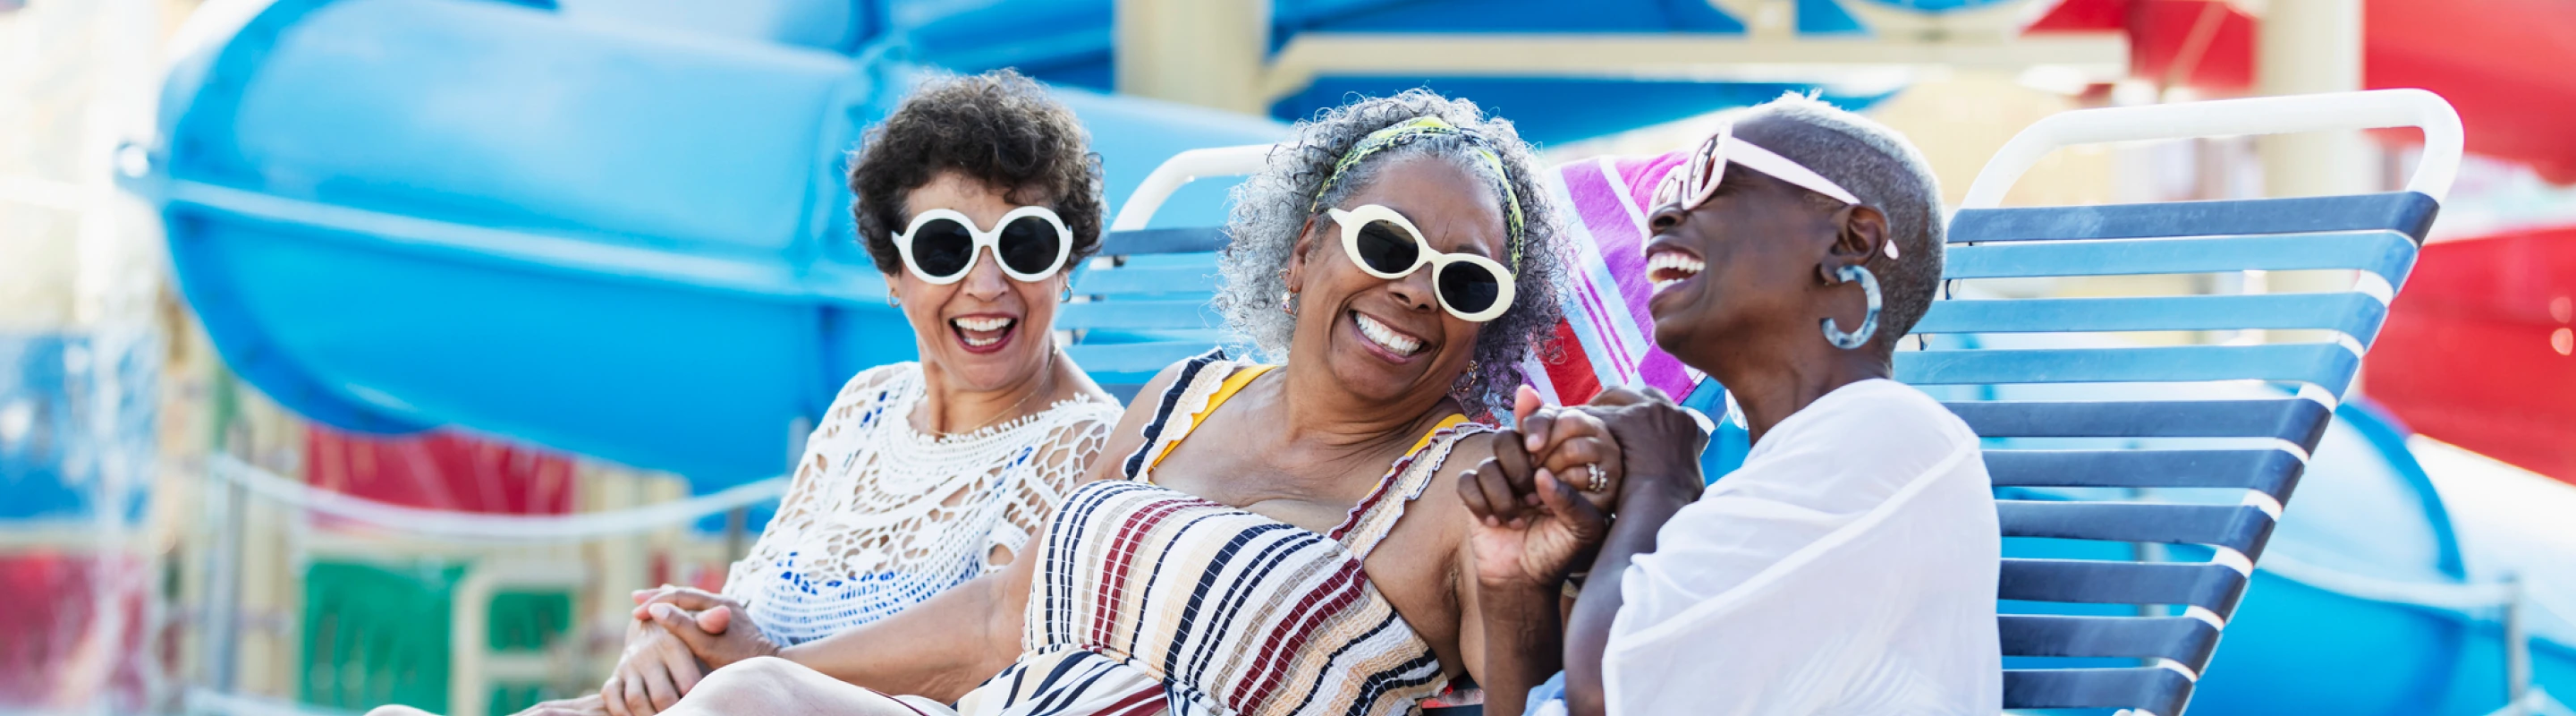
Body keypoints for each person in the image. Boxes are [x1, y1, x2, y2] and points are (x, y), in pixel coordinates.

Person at [618, 90, 1605, 716]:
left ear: (1488, 324)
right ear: (1307, 251)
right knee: (746, 697)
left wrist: (1519, 581)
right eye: (1390, 246)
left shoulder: (1470, 480)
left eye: (1466, 282)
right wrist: (746, 659)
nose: (1416, 289)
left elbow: (1530, 696)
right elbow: (1007, 613)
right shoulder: (1184, 397)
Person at [372, 70, 1127, 716]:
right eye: (945, 248)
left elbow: (992, 661)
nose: (988, 284)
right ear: (894, 276)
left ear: (1067, 266)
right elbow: (747, 614)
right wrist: (671, 634)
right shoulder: (866, 408)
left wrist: (760, 667)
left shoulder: (1089, 444)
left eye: (1026, 243)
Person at [1462, 94, 2003, 715]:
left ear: (1852, 240)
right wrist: (1519, 584)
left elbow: (1605, 696)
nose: (1662, 210)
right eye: (1671, 185)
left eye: (1707, 177)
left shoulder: (1893, 436)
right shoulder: (1760, 492)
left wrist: (1660, 483)